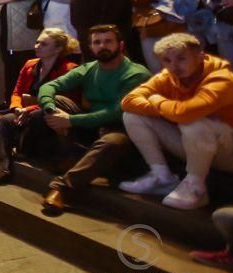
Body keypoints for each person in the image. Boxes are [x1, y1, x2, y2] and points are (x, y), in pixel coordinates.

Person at [39, 25, 152, 215]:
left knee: (113, 141)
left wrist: (71, 121)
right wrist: (50, 108)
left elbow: (116, 112)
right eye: (97, 42)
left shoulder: (136, 73)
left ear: (120, 45)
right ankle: (74, 158)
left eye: (108, 41)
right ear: (91, 47)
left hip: (123, 128)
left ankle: (61, 187)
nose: (102, 46)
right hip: (91, 126)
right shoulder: (89, 68)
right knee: (58, 102)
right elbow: (51, 86)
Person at [120, 34, 233, 210]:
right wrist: (170, 111)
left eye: (181, 58)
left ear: (200, 56)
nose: (174, 66)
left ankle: (196, 188)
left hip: (230, 154)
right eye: (167, 60)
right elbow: (128, 101)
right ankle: (162, 178)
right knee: (133, 116)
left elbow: (187, 113)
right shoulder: (168, 77)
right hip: (202, 147)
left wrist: (158, 101)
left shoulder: (223, 79)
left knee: (194, 122)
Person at [0, 29, 79, 185]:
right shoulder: (30, 65)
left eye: (44, 44)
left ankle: (23, 148)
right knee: (6, 119)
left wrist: (28, 110)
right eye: (37, 42)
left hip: (49, 115)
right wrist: (17, 108)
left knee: (36, 116)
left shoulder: (69, 69)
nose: (37, 46)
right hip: (26, 111)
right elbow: (17, 91)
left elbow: (62, 100)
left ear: (58, 49)